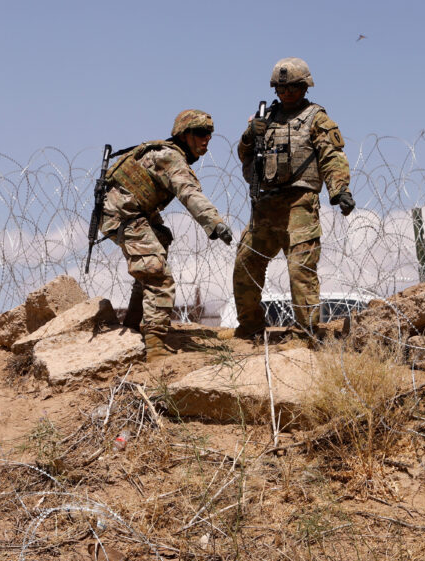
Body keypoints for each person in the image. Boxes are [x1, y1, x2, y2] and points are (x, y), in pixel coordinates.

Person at [232, 58, 354, 343]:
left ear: (303, 87)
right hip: (265, 206)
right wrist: (251, 135)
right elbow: (245, 155)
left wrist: (340, 190)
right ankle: (249, 328)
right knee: (246, 264)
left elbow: (332, 155)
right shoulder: (265, 118)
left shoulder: (316, 118)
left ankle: (305, 332)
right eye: (281, 88)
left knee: (301, 270)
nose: (286, 94)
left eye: (292, 88)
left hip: (300, 203)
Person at [100, 111, 235, 359]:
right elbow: (188, 192)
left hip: (135, 214)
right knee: (158, 278)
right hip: (126, 217)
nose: (207, 139)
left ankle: (132, 325)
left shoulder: (167, 153)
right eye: (201, 134)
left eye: (210, 134)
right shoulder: (171, 158)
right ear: (185, 135)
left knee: (153, 262)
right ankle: (155, 349)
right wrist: (214, 222)